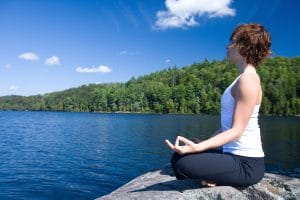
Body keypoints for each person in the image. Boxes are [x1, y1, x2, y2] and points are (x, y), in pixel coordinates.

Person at [165, 23, 271, 187]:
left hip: (246, 164)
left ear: (245, 46)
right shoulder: (242, 78)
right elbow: (227, 127)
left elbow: (236, 131)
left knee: (181, 162)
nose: (228, 46)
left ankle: (216, 177)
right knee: (192, 143)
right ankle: (215, 174)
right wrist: (199, 145)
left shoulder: (248, 81)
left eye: (232, 41)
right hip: (233, 155)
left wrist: (197, 149)